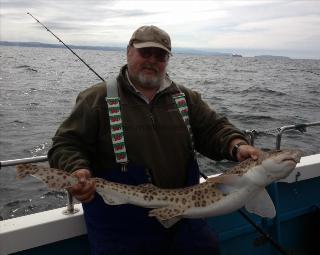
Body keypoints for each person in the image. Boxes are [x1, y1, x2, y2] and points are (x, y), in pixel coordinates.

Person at [48, 25, 261, 255]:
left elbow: (214, 129)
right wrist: (77, 169)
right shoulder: (96, 98)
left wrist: (236, 145)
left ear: (167, 59)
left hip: (185, 220)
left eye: (160, 55)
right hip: (122, 229)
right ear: (129, 51)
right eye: (145, 52)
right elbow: (66, 144)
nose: (152, 60)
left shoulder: (186, 98)